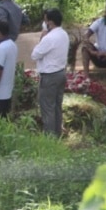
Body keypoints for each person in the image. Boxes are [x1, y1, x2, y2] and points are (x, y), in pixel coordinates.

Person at [30, 8, 69, 136]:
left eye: (45, 20)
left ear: (50, 22)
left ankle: (49, 138)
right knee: (57, 106)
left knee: (47, 108)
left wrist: (42, 37)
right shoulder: (63, 34)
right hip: (61, 74)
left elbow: (35, 55)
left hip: (49, 76)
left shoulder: (49, 38)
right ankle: (57, 134)